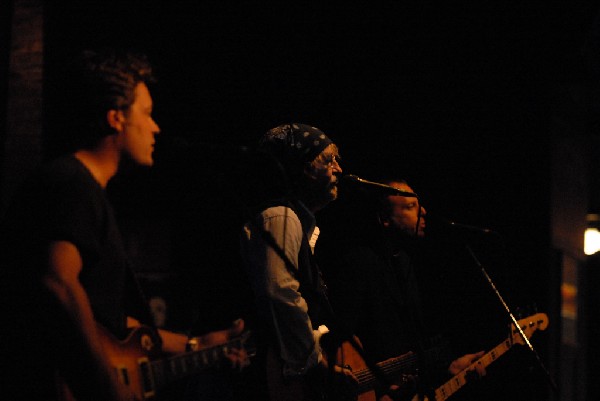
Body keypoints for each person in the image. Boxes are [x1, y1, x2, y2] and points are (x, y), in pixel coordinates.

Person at [0, 49, 246, 401]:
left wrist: (199, 344)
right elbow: (58, 283)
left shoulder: (83, 190)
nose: (156, 127)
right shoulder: (71, 182)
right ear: (116, 118)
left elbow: (105, 320)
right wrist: (106, 386)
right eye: (146, 113)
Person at [317, 177, 485, 401]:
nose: (423, 212)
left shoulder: (404, 263)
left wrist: (449, 367)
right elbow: (337, 338)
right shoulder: (360, 262)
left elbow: (410, 349)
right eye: (410, 206)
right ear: (384, 218)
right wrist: (377, 383)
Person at [239, 123, 354, 400]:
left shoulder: (296, 223)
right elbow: (280, 294)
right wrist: (315, 364)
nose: (339, 169)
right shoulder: (281, 216)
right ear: (299, 167)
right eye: (328, 161)